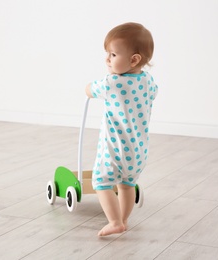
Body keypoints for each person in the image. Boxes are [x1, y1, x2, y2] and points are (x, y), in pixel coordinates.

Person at [85, 22, 158, 236]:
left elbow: (89, 89)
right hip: (138, 152)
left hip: (114, 150)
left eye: (113, 55)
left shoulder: (112, 83)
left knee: (100, 182)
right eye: (107, 54)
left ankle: (115, 221)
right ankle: (124, 219)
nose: (107, 59)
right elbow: (154, 92)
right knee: (127, 185)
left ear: (134, 59)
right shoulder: (147, 81)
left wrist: (88, 88)